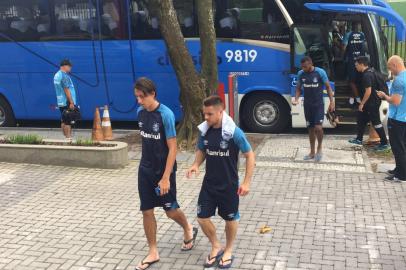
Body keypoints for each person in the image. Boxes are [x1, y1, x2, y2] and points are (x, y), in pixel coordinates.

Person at [134, 77, 197, 270]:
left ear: (152, 94)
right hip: (145, 169)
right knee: (146, 210)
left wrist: (165, 177)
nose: (139, 101)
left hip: (164, 171)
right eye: (136, 97)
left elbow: (173, 148)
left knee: (170, 211)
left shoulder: (166, 115)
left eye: (142, 97)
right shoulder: (140, 113)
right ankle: (153, 251)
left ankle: (187, 228)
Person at [186, 95, 255, 269]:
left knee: (230, 219)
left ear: (220, 111)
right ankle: (216, 245)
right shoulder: (205, 130)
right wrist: (195, 164)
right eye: (204, 114)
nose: (206, 118)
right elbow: (201, 149)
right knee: (202, 218)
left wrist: (246, 182)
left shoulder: (233, 132)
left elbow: (250, 155)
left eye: (209, 114)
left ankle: (228, 250)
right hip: (209, 184)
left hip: (229, 185)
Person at [292, 56, 335, 162]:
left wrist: (332, 102)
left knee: (318, 128)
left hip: (318, 104)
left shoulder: (320, 72)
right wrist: (296, 99)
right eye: (302, 67)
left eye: (305, 66)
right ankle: (312, 152)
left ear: (311, 64)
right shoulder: (301, 74)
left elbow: (328, 87)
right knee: (310, 128)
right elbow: (298, 88)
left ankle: (319, 148)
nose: (304, 69)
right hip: (307, 105)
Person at [348, 56, 390, 151]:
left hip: (372, 103)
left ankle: (384, 143)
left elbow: (368, 91)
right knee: (360, 117)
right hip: (370, 102)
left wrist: (362, 103)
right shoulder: (372, 71)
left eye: (356, 65)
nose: (356, 67)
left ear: (362, 64)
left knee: (376, 123)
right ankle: (359, 139)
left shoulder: (367, 75)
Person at [377, 55, 406, 182]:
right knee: (403, 145)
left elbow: (395, 101)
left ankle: (401, 175)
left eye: (390, 68)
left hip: (397, 118)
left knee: (397, 147)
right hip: (404, 117)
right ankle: (399, 169)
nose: (390, 71)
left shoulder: (399, 80)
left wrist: (384, 96)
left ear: (395, 65)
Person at [343, 22, 367, 105]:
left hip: (352, 60)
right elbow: (365, 47)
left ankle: (355, 97)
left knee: (352, 80)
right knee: (357, 79)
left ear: (351, 26)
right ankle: (354, 97)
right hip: (361, 61)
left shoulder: (348, 34)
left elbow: (344, 47)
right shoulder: (362, 35)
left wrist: (344, 55)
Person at [53, 59, 77, 139]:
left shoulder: (57, 75)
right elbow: (66, 89)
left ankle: (65, 137)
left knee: (63, 120)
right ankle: (68, 137)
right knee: (68, 121)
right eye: (69, 66)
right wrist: (71, 102)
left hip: (60, 101)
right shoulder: (64, 76)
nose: (70, 68)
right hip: (66, 101)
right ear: (65, 66)